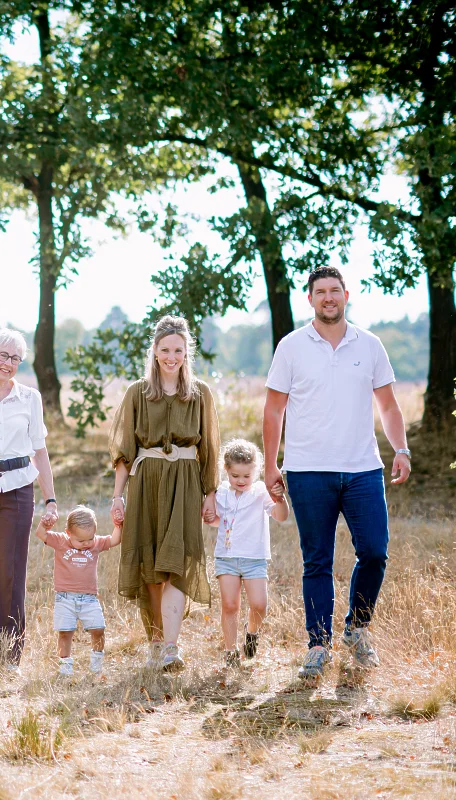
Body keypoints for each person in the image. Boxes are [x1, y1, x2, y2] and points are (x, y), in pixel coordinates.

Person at [263, 266, 411, 681]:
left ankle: (357, 629)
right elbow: (274, 410)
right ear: (309, 299)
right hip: (308, 471)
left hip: (363, 469)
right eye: (320, 292)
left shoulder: (370, 344)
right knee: (317, 561)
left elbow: (389, 406)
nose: (328, 297)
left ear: (347, 295)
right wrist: (272, 464)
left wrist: (400, 449)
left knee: (376, 551)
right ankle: (317, 644)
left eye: (335, 291)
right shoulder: (292, 346)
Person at [109, 315, 220, 672]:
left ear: (187, 353)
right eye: (165, 349)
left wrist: (209, 493)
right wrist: (117, 497)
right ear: (155, 352)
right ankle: (156, 642)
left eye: (178, 350)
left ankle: (172, 646)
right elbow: (125, 450)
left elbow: (211, 449)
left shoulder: (200, 393)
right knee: (152, 567)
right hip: (148, 481)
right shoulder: (137, 393)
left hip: (186, 482)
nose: (172, 356)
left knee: (176, 563)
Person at [0, 328, 58, 669]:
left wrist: (50, 499)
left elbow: (40, 450)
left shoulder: (29, 398)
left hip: (19, 488)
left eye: (15, 358)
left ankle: (10, 653)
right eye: (2, 355)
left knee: (11, 570)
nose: (8, 363)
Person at [207, 439, 288, 667]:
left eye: (246, 476)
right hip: (227, 556)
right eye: (235, 476)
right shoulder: (221, 492)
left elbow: (281, 516)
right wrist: (209, 517)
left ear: (256, 472)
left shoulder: (261, 491)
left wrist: (279, 498)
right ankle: (230, 651)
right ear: (227, 471)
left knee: (259, 604)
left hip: (254, 558)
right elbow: (217, 522)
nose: (241, 481)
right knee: (230, 605)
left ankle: (251, 633)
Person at [34, 506, 122, 677]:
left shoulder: (95, 543)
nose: (86, 544)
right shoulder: (61, 540)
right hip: (65, 598)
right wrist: (45, 524)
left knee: (99, 629)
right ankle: (65, 667)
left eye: (89, 539)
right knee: (65, 632)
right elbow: (41, 534)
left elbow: (114, 540)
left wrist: (118, 525)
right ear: (68, 533)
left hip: (89, 599)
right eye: (81, 541)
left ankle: (96, 665)